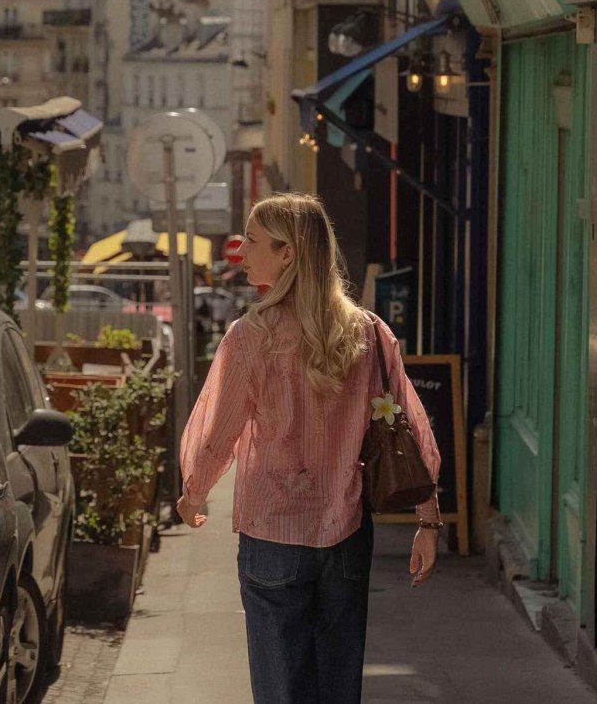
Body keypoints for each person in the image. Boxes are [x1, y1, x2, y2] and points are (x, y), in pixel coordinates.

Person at [176, 192, 442, 704]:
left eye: (252, 241)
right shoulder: (368, 332)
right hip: (344, 533)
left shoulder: (249, 337)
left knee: (280, 690)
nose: (241, 251)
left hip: (272, 532)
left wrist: (194, 493)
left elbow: (218, 432)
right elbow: (411, 430)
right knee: (338, 686)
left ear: (288, 254)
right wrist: (427, 521)